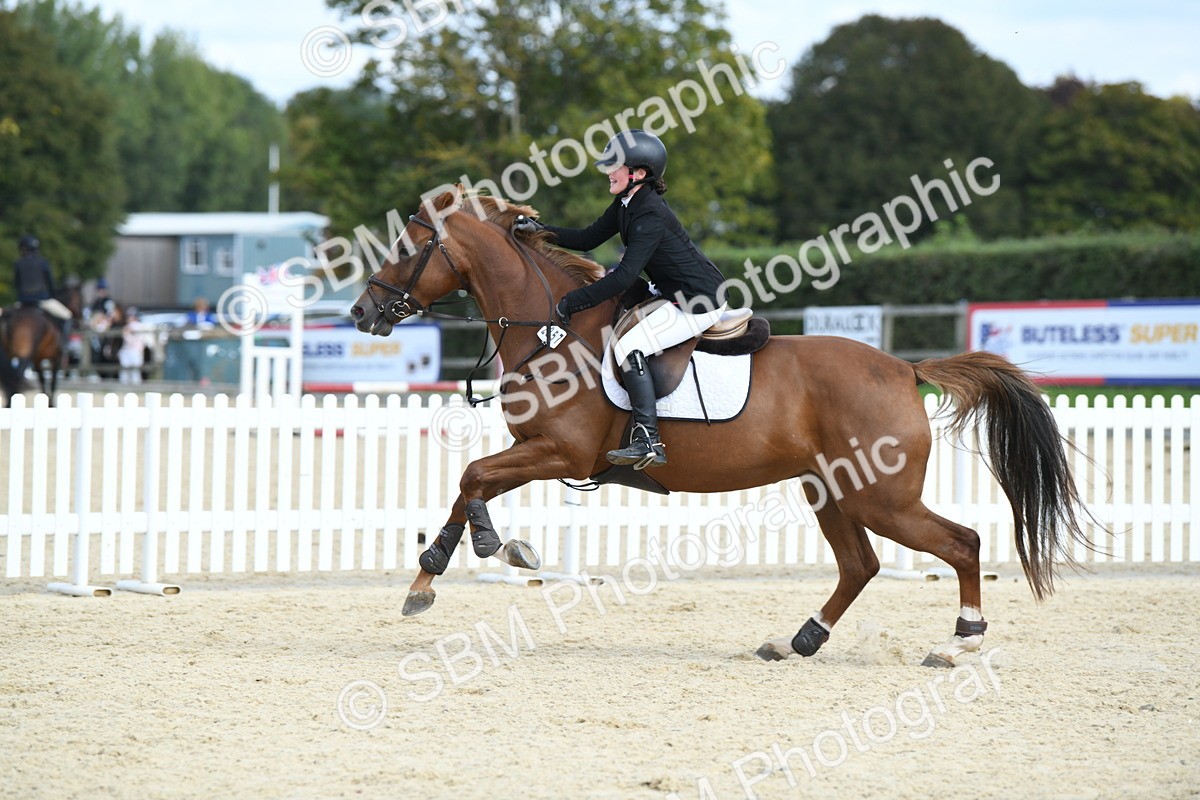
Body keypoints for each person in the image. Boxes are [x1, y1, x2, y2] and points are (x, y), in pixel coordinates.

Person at [513, 129, 728, 470]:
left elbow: (626, 276)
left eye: (614, 166)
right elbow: (586, 239)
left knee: (629, 347)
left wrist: (572, 302)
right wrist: (538, 229)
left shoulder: (650, 212)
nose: (607, 171)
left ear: (638, 173)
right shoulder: (627, 203)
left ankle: (647, 438)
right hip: (668, 292)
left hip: (697, 300)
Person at [13, 235, 72, 329]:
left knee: (5, 318)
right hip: (43, 300)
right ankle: (63, 342)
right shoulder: (43, 262)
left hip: (23, 302)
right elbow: (50, 282)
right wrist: (53, 295)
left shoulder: (18, 263)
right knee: (67, 316)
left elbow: (17, 284)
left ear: (23, 248)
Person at [118, 306, 149, 384]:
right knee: (125, 372)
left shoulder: (139, 326)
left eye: (131, 316)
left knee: (135, 373)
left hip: (135, 351)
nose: (129, 318)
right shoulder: (128, 326)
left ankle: (135, 389)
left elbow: (136, 340)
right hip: (128, 350)